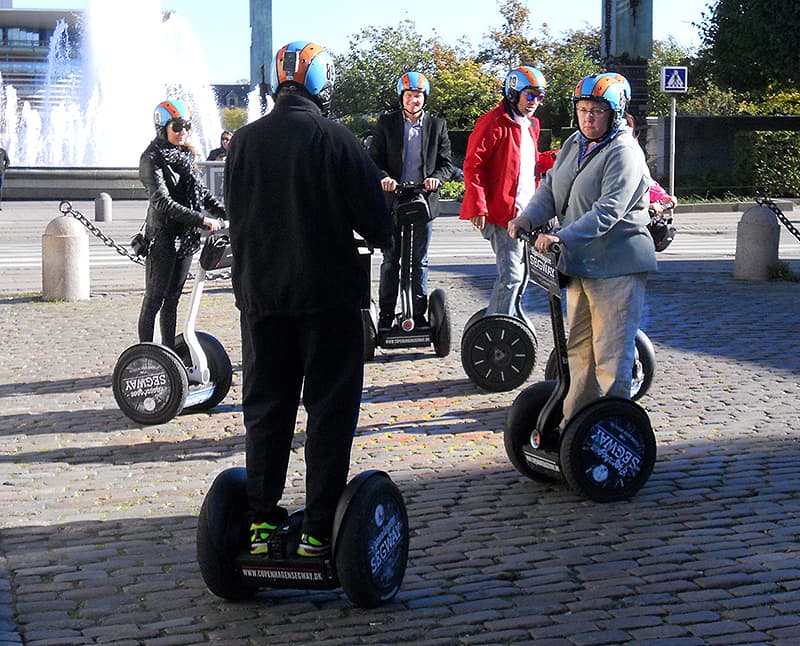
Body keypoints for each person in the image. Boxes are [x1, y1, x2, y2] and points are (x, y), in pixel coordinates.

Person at [224, 41, 393, 558]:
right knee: (328, 411)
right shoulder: (335, 138)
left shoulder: (245, 142)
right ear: (320, 83)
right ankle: (318, 528)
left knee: (267, 410)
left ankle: (258, 524)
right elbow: (377, 224)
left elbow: (235, 214)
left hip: (262, 298)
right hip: (327, 301)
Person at [508, 72, 657, 422]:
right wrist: (527, 218)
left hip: (616, 266)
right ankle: (578, 425)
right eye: (583, 109)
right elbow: (550, 188)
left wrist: (563, 237)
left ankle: (613, 426)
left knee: (610, 353)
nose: (588, 117)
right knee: (578, 352)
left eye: (597, 111)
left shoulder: (624, 152)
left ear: (616, 113)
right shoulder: (577, 143)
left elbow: (609, 210)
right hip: (580, 265)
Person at [459, 66, 548, 317]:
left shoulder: (531, 124)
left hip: (525, 212)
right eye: (529, 95)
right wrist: (478, 205)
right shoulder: (493, 122)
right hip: (501, 213)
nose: (534, 102)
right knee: (512, 276)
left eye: (539, 97)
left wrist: (558, 158)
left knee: (524, 275)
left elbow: (528, 162)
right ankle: (496, 329)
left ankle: (509, 319)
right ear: (513, 93)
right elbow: (472, 164)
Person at [369, 71, 453, 329]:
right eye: (408, 96)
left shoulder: (437, 125)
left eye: (417, 96)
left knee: (419, 261)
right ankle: (385, 316)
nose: (413, 101)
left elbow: (446, 164)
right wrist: (384, 177)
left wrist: (436, 178)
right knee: (391, 260)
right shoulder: (387, 123)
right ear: (401, 98)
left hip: (423, 200)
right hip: (393, 200)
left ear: (423, 98)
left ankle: (417, 315)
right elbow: (374, 159)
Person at [137, 99, 224, 349]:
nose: (183, 131)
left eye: (186, 125)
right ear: (162, 127)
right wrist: (203, 220)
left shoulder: (185, 155)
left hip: (185, 238)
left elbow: (202, 193)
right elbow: (163, 202)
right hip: (162, 236)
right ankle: (146, 353)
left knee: (173, 299)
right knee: (154, 299)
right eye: (177, 126)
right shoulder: (151, 158)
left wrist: (226, 212)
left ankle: (168, 350)